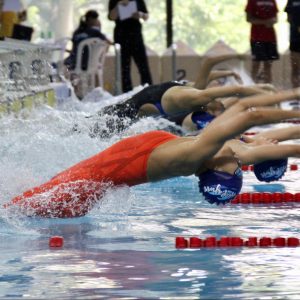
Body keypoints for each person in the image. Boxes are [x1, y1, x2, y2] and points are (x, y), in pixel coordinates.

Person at [5, 88, 300, 218]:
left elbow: (249, 118)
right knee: (21, 200)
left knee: (13, 210)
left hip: (79, 193)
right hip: (81, 181)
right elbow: (243, 115)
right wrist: (291, 97)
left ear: (220, 170)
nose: (239, 160)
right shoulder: (207, 151)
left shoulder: (194, 155)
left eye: (237, 166)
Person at [108, 0, 152, 92]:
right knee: (124, 68)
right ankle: (127, 93)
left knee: (143, 66)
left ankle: (148, 90)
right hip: (121, 36)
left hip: (136, 35)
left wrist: (140, 14)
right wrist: (118, 5)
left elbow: (146, 16)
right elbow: (111, 17)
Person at [245, 0, 279, 83]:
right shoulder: (252, 1)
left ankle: (268, 88)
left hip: (270, 37)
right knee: (256, 64)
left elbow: (276, 17)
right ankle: (252, 87)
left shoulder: (272, 1)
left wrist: (273, 21)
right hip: (257, 38)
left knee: (268, 65)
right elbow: (249, 19)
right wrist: (264, 22)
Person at [285, 0, 300, 95]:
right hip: (295, 39)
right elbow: (288, 18)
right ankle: (295, 94)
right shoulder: (291, 1)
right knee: (295, 67)